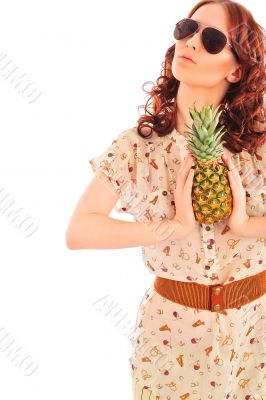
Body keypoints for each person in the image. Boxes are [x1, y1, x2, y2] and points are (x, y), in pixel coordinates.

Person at [66, 0, 266, 398]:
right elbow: (80, 230)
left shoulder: (258, 145)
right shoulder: (136, 148)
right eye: (186, 29)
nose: (191, 42)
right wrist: (171, 228)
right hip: (170, 333)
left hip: (256, 328)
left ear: (236, 68)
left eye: (211, 39)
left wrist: (244, 226)